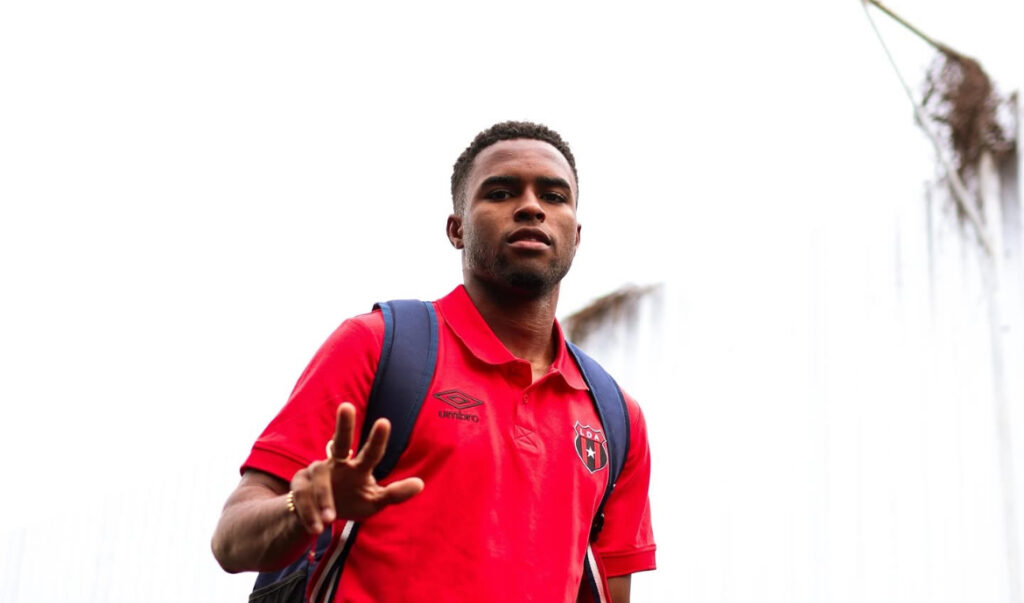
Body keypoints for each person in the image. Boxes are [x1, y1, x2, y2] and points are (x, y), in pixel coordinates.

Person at [211, 121, 656, 602]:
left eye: (553, 196)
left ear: (577, 234)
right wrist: (303, 508)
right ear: (456, 229)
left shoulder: (616, 417)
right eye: (501, 192)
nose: (531, 207)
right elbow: (231, 539)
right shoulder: (377, 346)